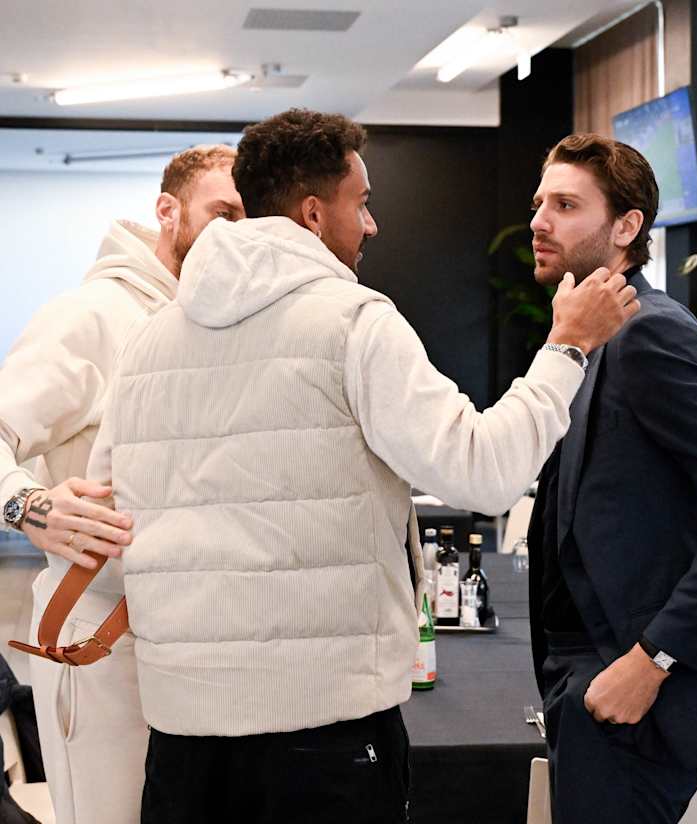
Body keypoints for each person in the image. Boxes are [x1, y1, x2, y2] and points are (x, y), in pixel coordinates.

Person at [86, 109, 639, 824]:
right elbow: (484, 471)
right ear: (314, 214)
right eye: (363, 202)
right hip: (324, 731)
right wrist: (567, 348)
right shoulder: (352, 321)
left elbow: (105, 524)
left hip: (180, 734)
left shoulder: (149, 340)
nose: (372, 225)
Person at [525, 133, 697, 824]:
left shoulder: (651, 332)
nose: (539, 221)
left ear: (626, 227)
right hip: (594, 696)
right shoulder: (589, 333)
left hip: (646, 713)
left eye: (565, 204)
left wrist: (653, 660)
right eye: (539, 203)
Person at [0, 144, 245, 824]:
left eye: (247, 218)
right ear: (168, 211)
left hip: (198, 641)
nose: (233, 233)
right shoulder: (91, 316)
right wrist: (26, 505)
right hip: (101, 638)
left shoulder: (216, 326)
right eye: (221, 212)